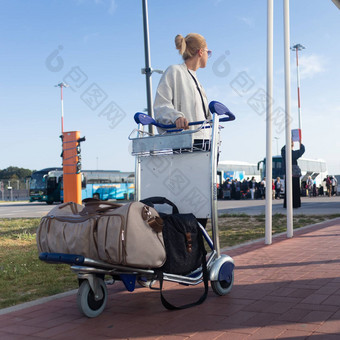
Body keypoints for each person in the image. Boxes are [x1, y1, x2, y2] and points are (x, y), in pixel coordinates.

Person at [154, 33, 211, 142]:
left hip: (205, 141)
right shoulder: (175, 72)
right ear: (201, 52)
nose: (208, 56)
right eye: (208, 52)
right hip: (185, 142)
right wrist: (176, 117)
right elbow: (160, 106)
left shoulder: (196, 81)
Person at [281, 141, 305, 208]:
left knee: (288, 190)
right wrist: (300, 143)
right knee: (295, 190)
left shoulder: (284, 153)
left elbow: (282, 149)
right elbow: (301, 151)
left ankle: (287, 204)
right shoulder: (292, 153)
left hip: (287, 173)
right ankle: (295, 204)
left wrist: (288, 142)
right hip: (294, 174)